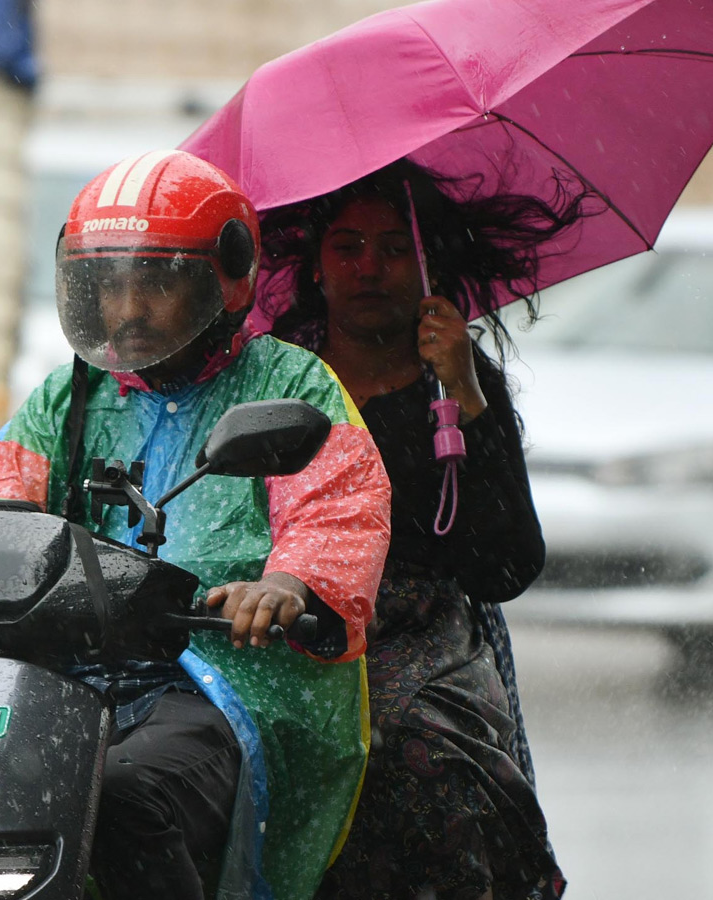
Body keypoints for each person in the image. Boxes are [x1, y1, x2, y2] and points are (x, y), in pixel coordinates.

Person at [0, 150, 392, 900]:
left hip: (220, 676)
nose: (126, 306)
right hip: (61, 670)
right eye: (106, 283)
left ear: (228, 279)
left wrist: (285, 583)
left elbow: (336, 508)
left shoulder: (289, 383)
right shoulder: (69, 394)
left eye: (156, 279)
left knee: (122, 800)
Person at [258, 158, 592, 900]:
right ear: (315, 266)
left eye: (392, 247)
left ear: (427, 263)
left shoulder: (459, 383)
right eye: (347, 247)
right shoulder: (280, 382)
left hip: (428, 631)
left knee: (423, 757)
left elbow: (507, 567)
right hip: (302, 617)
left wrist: (470, 400)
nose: (369, 268)